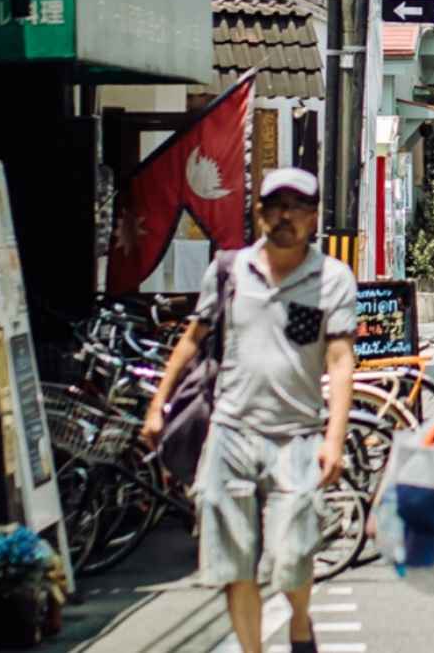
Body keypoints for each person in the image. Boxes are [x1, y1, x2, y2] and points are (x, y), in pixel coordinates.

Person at [140, 168, 357, 653]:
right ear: (258, 212)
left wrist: (334, 439)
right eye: (274, 205)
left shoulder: (332, 279)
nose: (285, 216)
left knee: (293, 554)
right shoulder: (229, 271)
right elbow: (193, 337)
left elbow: (341, 361)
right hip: (230, 430)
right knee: (232, 563)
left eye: (297, 206)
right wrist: (159, 402)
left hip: (298, 434)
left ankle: (300, 624)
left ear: (313, 216)